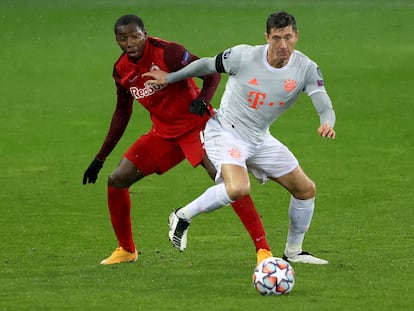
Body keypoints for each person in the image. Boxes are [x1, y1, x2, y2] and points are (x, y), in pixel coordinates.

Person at [143, 11, 336, 264]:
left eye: (288, 37)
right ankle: (182, 215)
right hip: (226, 132)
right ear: (266, 37)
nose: (283, 45)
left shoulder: (306, 68)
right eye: (277, 38)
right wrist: (169, 78)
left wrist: (327, 122)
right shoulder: (243, 56)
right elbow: (207, 65)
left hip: (259, 138)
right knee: (238, 187)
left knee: (305, 189)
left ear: (296, 36)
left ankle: (293, 252)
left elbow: (324, 105)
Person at [82, 14, 273, 265]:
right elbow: (122, 113)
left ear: (145, 34)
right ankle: (126, 250)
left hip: (199, 129)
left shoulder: (169, 53)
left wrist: (203, 99)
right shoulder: (121, 71)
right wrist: (100, 157)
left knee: (231, 182)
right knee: (117, 180)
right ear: (117, 40)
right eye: (123, 38)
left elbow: (211, 73)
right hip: (163, 135)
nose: (130, 43)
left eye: (135, 37)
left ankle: (263, 250)